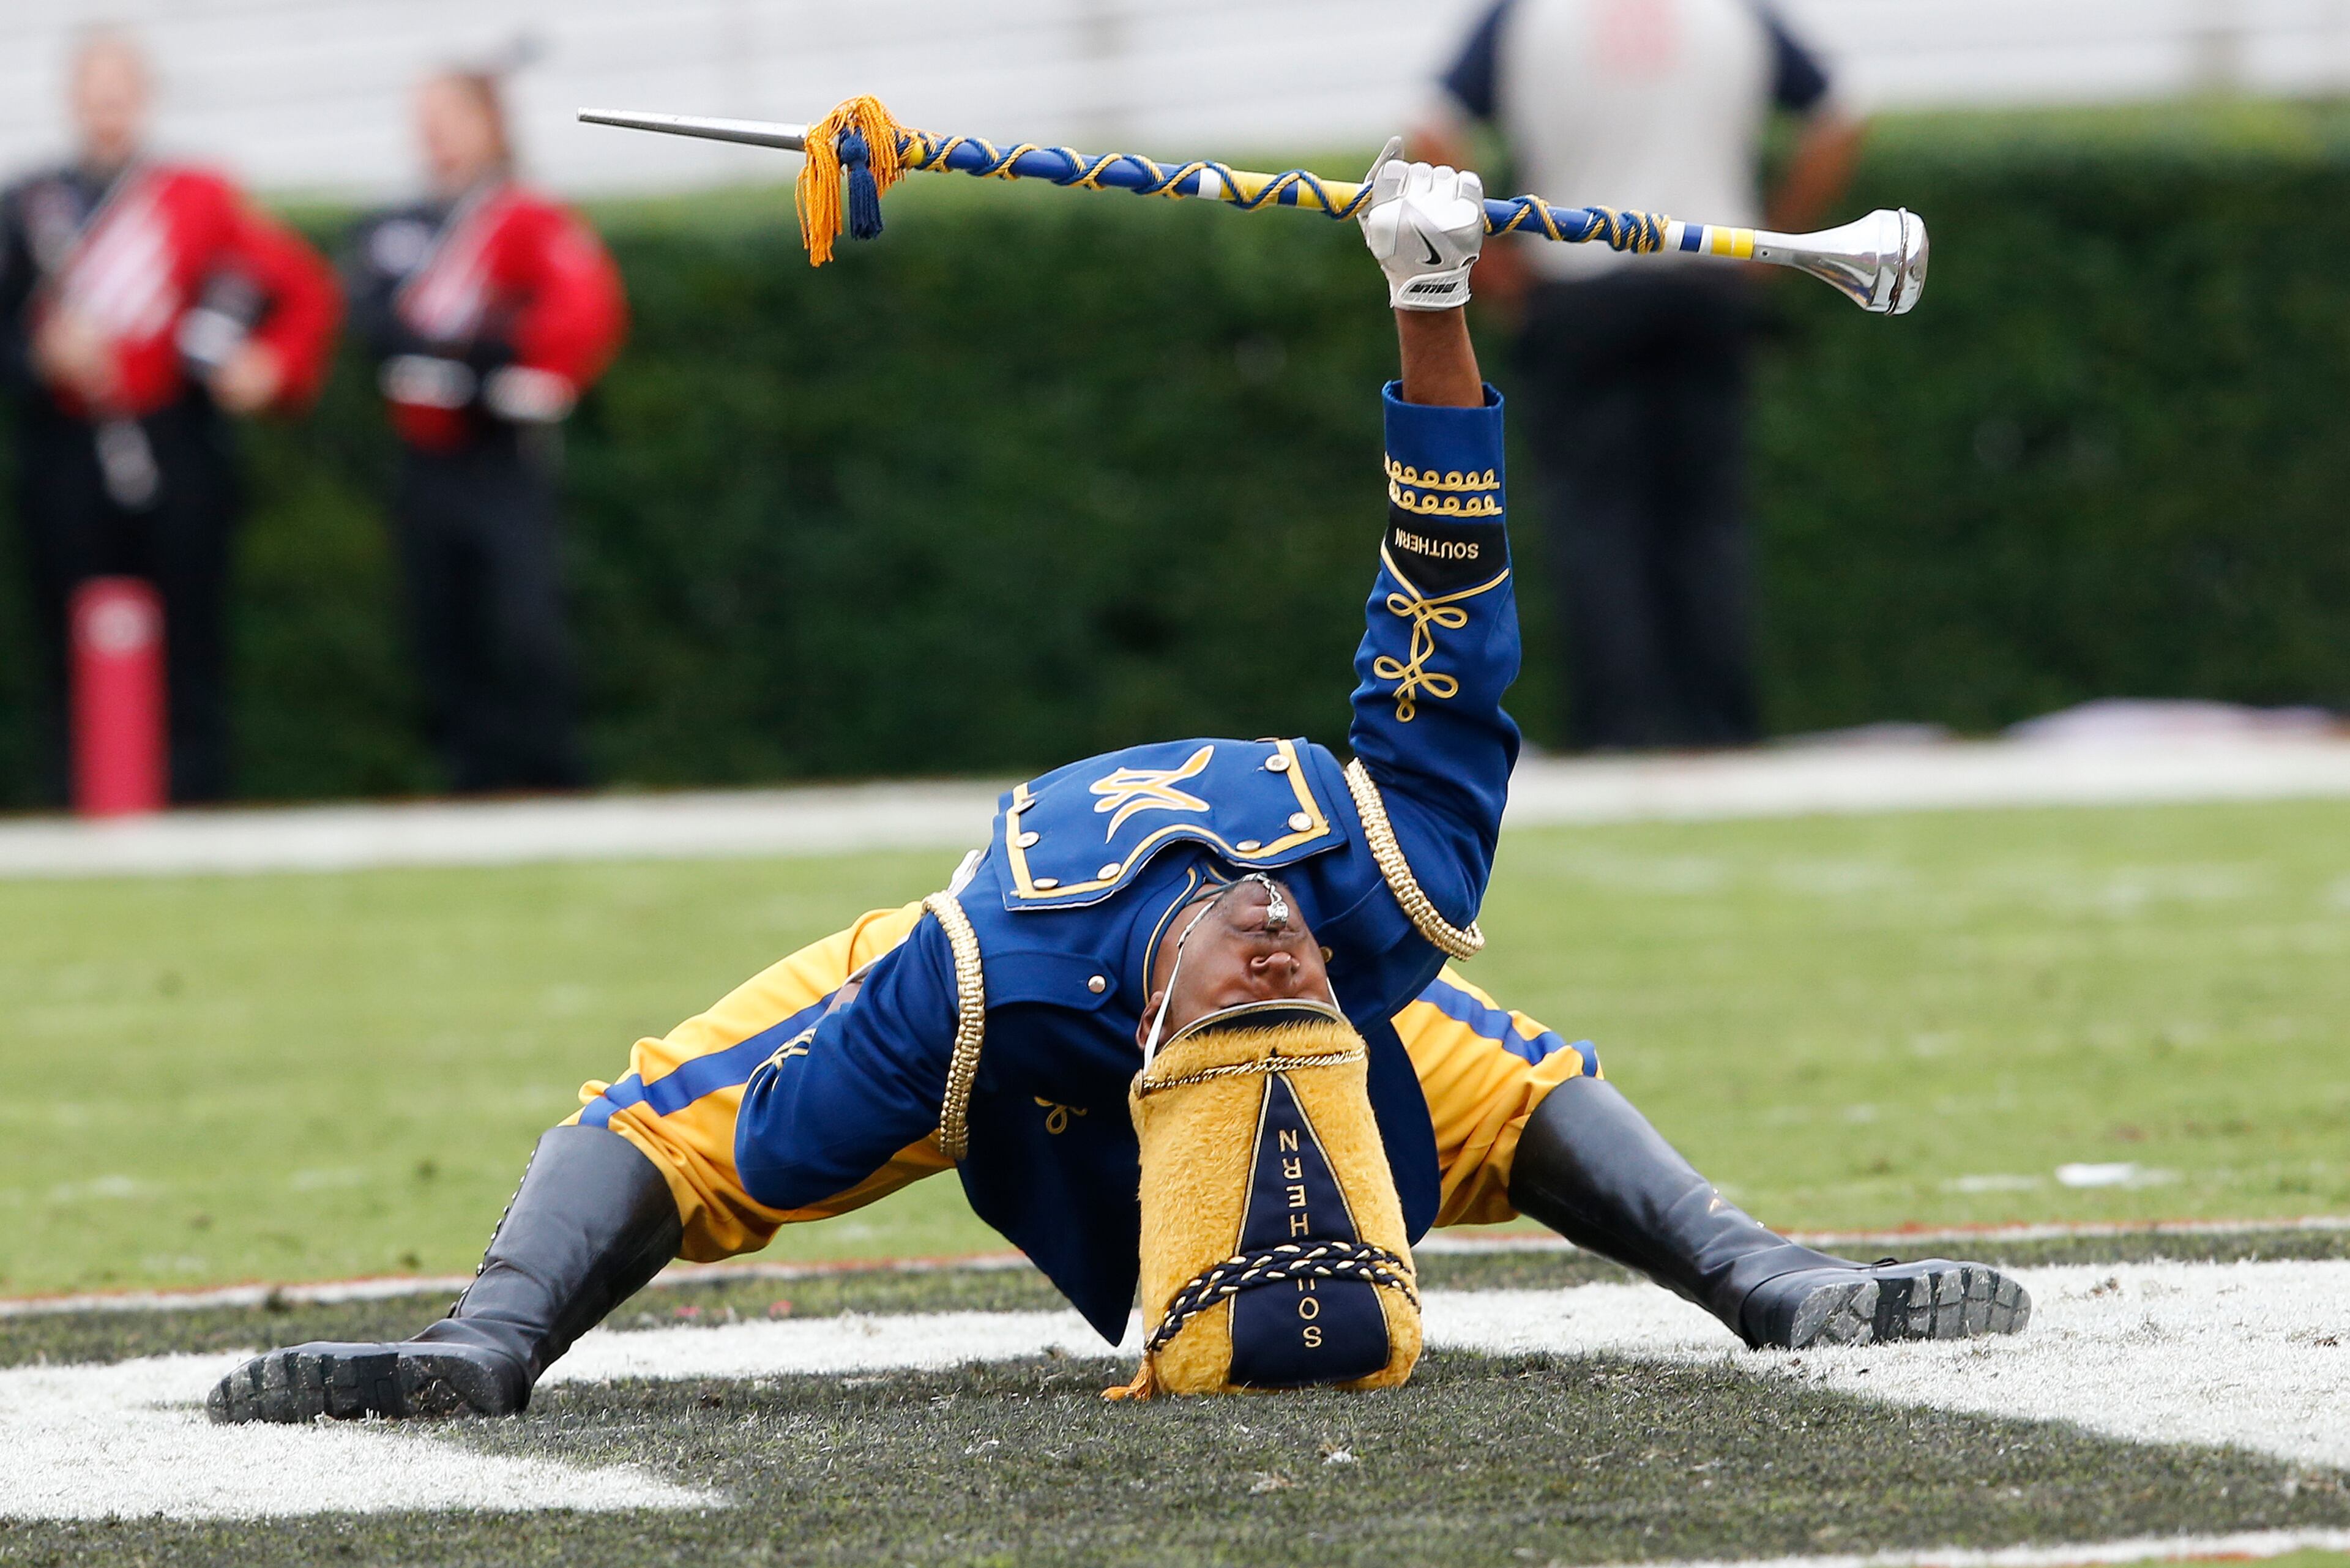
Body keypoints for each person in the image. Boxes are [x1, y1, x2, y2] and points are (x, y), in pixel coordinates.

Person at [211, 155, 2022, 1424]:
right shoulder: (1365, 908)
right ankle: (1757, 1264)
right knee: (1502, 1080)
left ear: (1166, 1051)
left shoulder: (956, 996)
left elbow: (666, 1142)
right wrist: (1427, 299)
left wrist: (492, 1343)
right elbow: (1445, 601)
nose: (1274, 954)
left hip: (1011, 1048)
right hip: (1261, 1068)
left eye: (1256, 995)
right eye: (1297, 988)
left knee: (680, 1112)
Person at [1416, 0, 1865, 750]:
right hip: (1710, 280)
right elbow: (1841, 116)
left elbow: (1431, 133)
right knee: (1708, 514)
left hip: (1579, 288)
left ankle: (1618, 730)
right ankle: (1719, 728)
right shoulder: (1732, 14)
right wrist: (1780, 245)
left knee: (1594, 518)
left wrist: (1495, 269)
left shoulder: (1527, 18)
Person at [0, 29, 339, 805]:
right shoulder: (29, 205)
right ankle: (79, 798)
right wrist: (40, 354)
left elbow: (301, 289)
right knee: (66, 634)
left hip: (178, 440)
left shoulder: (196, 196)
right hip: (65, 446)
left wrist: (269, 368)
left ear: (145, 96)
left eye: (122, 85)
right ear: (72, 97)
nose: (107, 103)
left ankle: (196, 800)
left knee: (191, 636)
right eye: (94, 86)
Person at [343, 69, 626, 794]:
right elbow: (373, 318)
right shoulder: (397, 226)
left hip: (504, 452)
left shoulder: (528, 218)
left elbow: (579, 312)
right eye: (425, 118)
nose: (435, 134)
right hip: (426, 456)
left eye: (451, 117)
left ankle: (553, 777)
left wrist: (492, 354)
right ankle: (470, 779)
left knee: (525, 621)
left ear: (492, 125)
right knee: (442, 627)